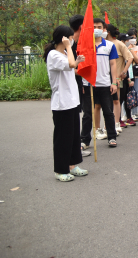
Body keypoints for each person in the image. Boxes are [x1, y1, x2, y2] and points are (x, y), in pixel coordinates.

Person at [44, 25, 88, 182]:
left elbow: (72, 66)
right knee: (63, 137)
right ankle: (60, 170)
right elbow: (69, 64)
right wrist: (70, 51)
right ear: (63, 38)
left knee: (74, 136)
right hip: (61, 104)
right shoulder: (53, 55)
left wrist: (78, 61)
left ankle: (72, 165)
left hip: (72, 101)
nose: (72, 39)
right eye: (70, 37)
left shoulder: (63, 53)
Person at [80, 18, 119, 148]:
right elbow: (81, 65)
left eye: (99, 27)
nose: (96, 29)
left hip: (105, 84)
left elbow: (113, 64)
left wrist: (114, 82)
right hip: (88, 84)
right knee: (87, 114)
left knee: (108, 112)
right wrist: (82, 83)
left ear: (104, 29)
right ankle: (85, 140)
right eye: (94, 26)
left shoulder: (109, 45)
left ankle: (112, 137)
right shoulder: (85, 45)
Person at [68, 14, 91, 158]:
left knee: (82, 115)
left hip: (81, 84)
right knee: (73, 118)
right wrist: (81, 71)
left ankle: (79, 145)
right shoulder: (69, 44)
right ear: (82, 26)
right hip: (71, 87)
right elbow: (70, 67)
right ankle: (73, 149)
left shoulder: (81, 43)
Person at [106, 25, 133, 132]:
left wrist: (124, 71)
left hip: (116, 77)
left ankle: (116, 123)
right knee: (107, 103)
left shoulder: (119, 44)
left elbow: (130, 57)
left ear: (107, 32)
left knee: (115, 101)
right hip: (104, 77)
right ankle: (107, 125)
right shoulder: (103, 44)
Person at [125, 33, 138, 121]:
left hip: (136, 73)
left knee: (136, 93)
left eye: (134, 38)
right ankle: (126, 114)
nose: (132, 39)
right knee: (126, 95)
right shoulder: (123, 47)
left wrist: (131, 51)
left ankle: (134, 113)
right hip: (127, 73)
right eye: (130, 38)